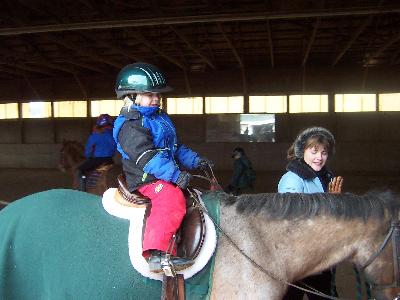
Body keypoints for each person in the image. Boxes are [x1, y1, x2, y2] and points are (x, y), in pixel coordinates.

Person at [112, 62, 213, 273]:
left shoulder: (159, 118)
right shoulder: (130, 125)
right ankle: (157, 254)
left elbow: (174, 148)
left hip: (162, 171)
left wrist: (196, 161)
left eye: (158, 95)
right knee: (171, 198)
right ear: (131, 96)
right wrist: (175, 175)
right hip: (145, 178)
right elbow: (147, 158)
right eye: (150, 95)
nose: (156, 99)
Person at [278, 126, 343, 300]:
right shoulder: (292, 179)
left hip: (319, 255)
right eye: (314, 152)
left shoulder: (325, 176)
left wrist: (335, 203)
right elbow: (292, 215)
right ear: (302, 152)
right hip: (297, 258)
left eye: (324, 153)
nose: (319, 157)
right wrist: (329, 202)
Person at [77, 113, 117, 191]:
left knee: (81, 170)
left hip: (97, 161)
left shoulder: (95, 135)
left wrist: (88, 156)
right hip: (110, 160)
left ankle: (83, 189)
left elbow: (88, 149)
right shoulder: (114, 135)